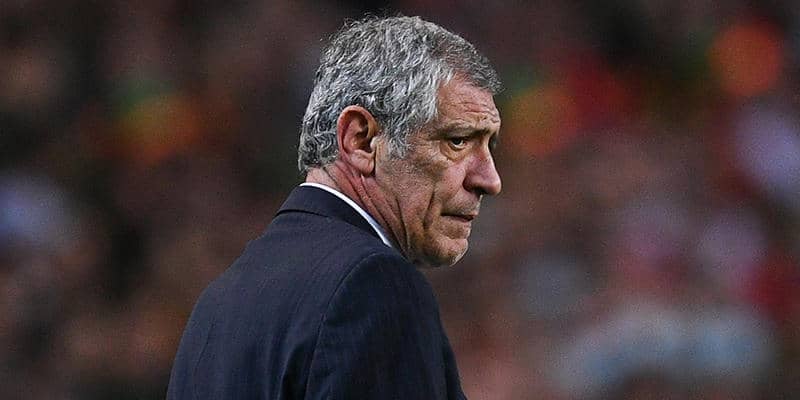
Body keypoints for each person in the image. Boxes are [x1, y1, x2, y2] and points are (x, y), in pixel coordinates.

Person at [167, 15, 502, 399]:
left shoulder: (219, 304)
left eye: (489, 145)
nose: (490, 179)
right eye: (457, 141)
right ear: (361, 141)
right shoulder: (372, 287)